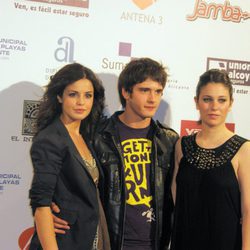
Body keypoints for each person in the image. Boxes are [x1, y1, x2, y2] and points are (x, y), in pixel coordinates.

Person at [52, 58, 179, 250]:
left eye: (158, 91)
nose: (153, 99)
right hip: (109, 242)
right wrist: (50, 209)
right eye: (144, 90)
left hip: (155, 244)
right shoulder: (96, 136)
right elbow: (68, 180)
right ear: (126, 92)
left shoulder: (169, 139)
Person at [29, 63, 110, 250]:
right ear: (59, 96)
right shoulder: (50, 139)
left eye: (87, 95)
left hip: (90, 236)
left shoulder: (85, 136)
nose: (81, 102)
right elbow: (41, 206)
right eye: (73, 94)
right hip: (65, 241)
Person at [170, 69, 250, 250]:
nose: (214, 106)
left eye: (221, 100)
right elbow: (176, 197)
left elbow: (248, 211)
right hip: (185, 241)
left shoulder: (244, 149)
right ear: (196, 102)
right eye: (207, 99)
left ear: (230, 104)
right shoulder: (182, 145)